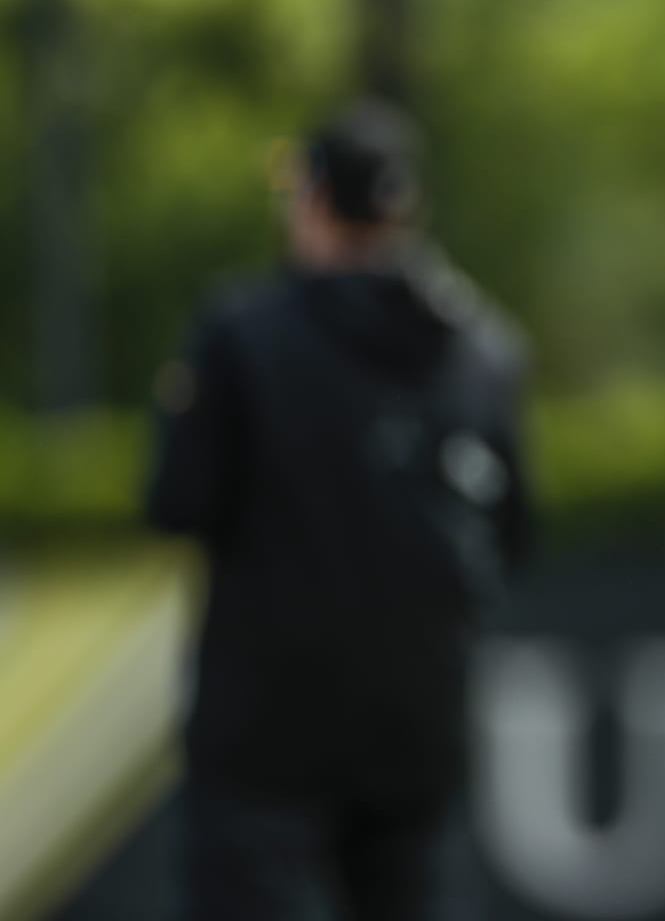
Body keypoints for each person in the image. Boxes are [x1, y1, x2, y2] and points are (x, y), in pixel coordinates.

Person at [146, 99, 532, 921]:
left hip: (264, 736)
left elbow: (175, 502)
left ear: (314, 198)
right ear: (404, 207)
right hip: (417, 725)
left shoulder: (241, 335)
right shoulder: (484, 346)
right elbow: (514, 536)